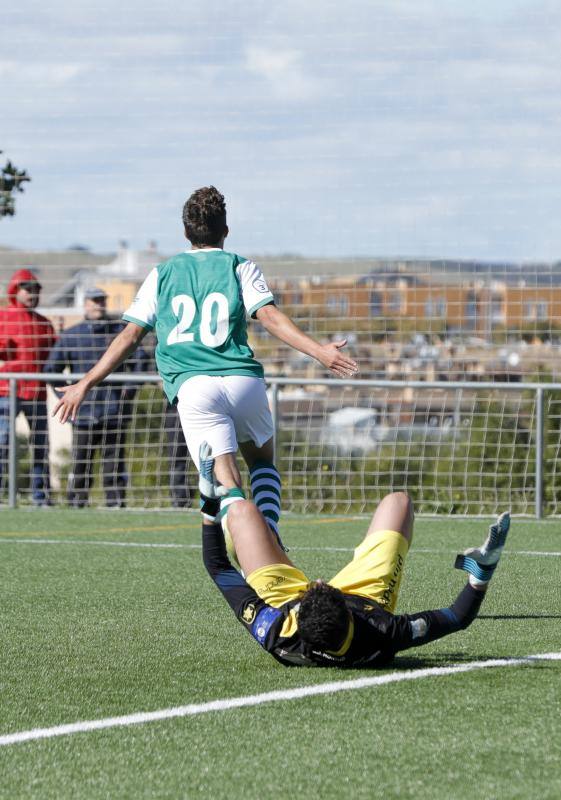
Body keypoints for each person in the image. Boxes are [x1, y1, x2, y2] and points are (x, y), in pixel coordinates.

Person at [51, 186, 358, 530]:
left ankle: (250, 548)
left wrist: (85, 382)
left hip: (195, 387)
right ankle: (269, 533)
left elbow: (129, 336)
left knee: (230, 488)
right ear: (226, 231)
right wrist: (320, 351)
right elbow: (269, 317)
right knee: (262, 466)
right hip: (244, 381)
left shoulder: (163, 274)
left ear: (185, 232)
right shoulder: (241, 266)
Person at [199, 443, 511, 668]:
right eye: (325, 585)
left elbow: (218, 567)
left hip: (285, 600)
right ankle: (269, 545)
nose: (319, 579)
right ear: (348, 608)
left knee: (241, 511)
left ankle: (263, 543)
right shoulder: (382, 631)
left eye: (315, 586)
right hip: (366, 599)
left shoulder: (276, 628)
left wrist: (209, 506)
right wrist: (481, 572)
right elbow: (457, 616)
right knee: (398, 503)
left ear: (298, 616)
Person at [43, 287, 148, 507]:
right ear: (85, 304)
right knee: (81, 462)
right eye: (93, 300)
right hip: (82, 412)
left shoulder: (120, 332)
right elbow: (52, 370)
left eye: (101, 300)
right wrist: (66, 396)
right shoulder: (72, 336)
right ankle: (77, 504)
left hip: (114, 410)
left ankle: (116, 504)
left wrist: (129, 390)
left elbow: (141, 361)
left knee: (114, 462)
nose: (98, 304)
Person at [0, 269, 56, 505]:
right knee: (2, 442)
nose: (31, 294)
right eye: (26, 289)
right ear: (15, 291)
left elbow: (56, 358)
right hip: (6, 392)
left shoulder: (44, 323)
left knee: (41, 445)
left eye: (35, 289)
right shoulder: (3, 317)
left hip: (36, 392)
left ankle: (40, 496)